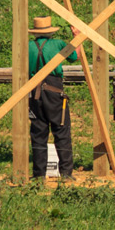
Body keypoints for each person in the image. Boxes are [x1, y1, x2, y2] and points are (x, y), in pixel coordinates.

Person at [27, 16, 77, 180]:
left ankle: (39, 175)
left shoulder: (27, 46)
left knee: (38, 132)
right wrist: (76, 38)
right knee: (61, 130)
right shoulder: (58, 44)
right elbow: (74, 57)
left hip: (34, 91)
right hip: (54, 90)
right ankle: (66, 173)